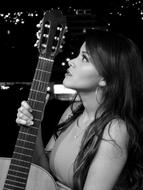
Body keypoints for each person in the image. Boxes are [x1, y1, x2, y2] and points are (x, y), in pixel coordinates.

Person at [16, 29, 143, 190]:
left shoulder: (115, 130)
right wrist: (34, 126)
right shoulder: (73, 111)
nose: (71, 61)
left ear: (105, 78)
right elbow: (44, 174)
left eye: (84, 58)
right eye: (77, 55)